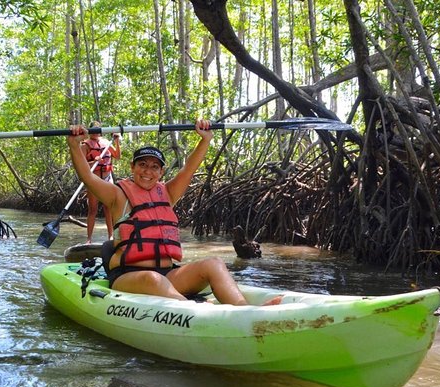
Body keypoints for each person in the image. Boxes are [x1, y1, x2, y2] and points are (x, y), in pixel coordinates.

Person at [67, 119, 281, 306]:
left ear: (161, 172)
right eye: (142, 165)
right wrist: (74, 145)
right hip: (128, 276)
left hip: (168, 274)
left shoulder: (167, 193)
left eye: (154, 167)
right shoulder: (117, 195)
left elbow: (189, 168)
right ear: (132, 167)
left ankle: (244, 311)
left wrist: (205, 139)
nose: (147, 171)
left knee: (213, 264)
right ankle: (197, 310)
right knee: (153, 279)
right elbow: (87, 176)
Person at [80, 121, 121, 242]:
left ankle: (111, 236)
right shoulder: (85, 145)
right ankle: (89, 239)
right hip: (94, 180)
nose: (96, 132)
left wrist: (117, 141)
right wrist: (93, 162)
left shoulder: (106, 143)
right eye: (94, 130)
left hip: (108, 179)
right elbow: (81, 165)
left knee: (108, 208)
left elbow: (117, 156)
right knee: (92, 209)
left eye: (98, 130)